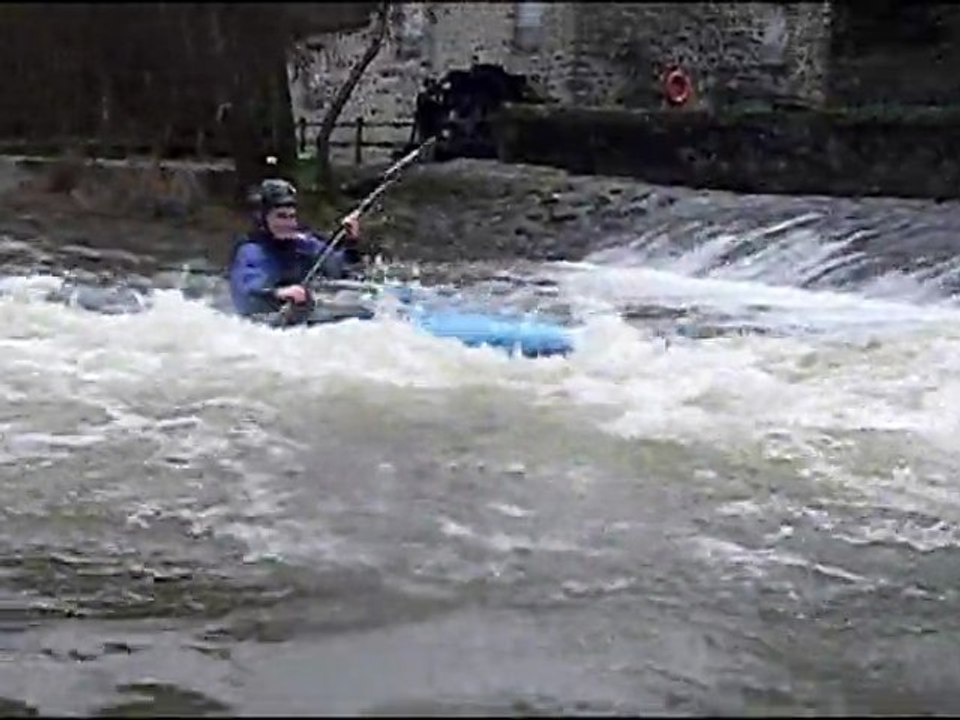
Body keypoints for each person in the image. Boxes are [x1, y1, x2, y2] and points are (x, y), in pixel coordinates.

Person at [228, 177, 362, 323]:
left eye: (292, 217)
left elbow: (340, 268)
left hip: (305, 313)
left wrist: (350, 241)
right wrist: (279, 294)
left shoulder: (303, 243)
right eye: (281, 216)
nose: (289, 223)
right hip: (269, 321)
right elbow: (246, 296)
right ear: (262, 218)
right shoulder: (251, 251)